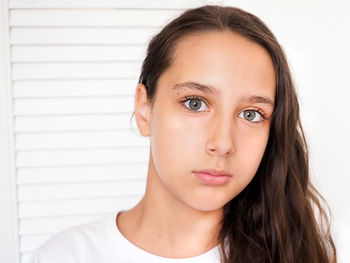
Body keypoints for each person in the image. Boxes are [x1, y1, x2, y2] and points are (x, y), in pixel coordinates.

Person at [30, 5, 337, 263]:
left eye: (251, 114)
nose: (223, 144)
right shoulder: (62, 256)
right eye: (195, 103)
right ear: (144, 109)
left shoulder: (301, 255)